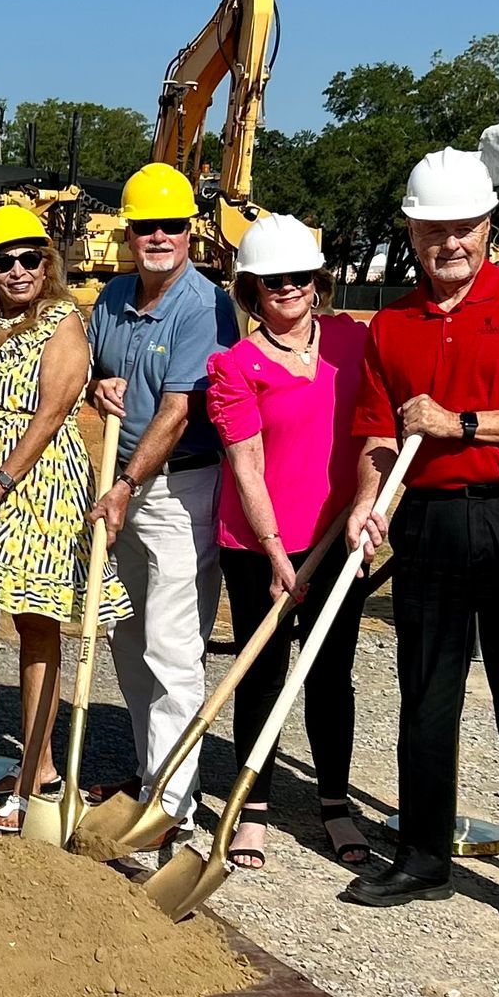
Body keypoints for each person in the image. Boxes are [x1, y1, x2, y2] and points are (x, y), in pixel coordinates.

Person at [342, 147, 499, 937]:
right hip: (435, 522)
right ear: (412, 233)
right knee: (427, 696)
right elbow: (379, 435)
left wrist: (464, 424)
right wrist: (364, 501)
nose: (450, 244)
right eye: (433, 230)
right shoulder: (391, 324)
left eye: (465, 229)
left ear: (488, 228)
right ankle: (422, 857)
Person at [0, 207, 129, 833]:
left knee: (38, 628)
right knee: (15, 622)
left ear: (47, 264)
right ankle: (44, 765)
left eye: (31, 259)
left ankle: (31, 779)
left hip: (39, 490)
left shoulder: (62, 323)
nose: (19, 271)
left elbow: (51, 415)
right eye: (5, 261)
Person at [206, 213, 371, 872]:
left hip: (343, 538)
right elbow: (246, 465)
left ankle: (335, 803)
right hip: (257, 545)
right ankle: (253, 809)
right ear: (252, 289)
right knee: (265, 674)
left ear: (318, 281)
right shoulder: (234, 366)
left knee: (332, 674)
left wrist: (367, 506)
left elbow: (377, 430)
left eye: (299, 277)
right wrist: (277, 552)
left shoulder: (353, 343)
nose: (287, 289)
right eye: (272, 281)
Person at [85, 164, 239, 839]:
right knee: (126, 637)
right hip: (122, 486)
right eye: (145, 225)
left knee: (173, 647)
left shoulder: (206, 306)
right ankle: (153, 775)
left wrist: (123, 488)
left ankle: (173, 804)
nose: (158, 236)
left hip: (181, 489)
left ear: (190, 232)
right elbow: (91, 366)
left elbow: (179, 411)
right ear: (128, 231)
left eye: (170, 226)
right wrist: (97, 385)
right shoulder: (113, 297)